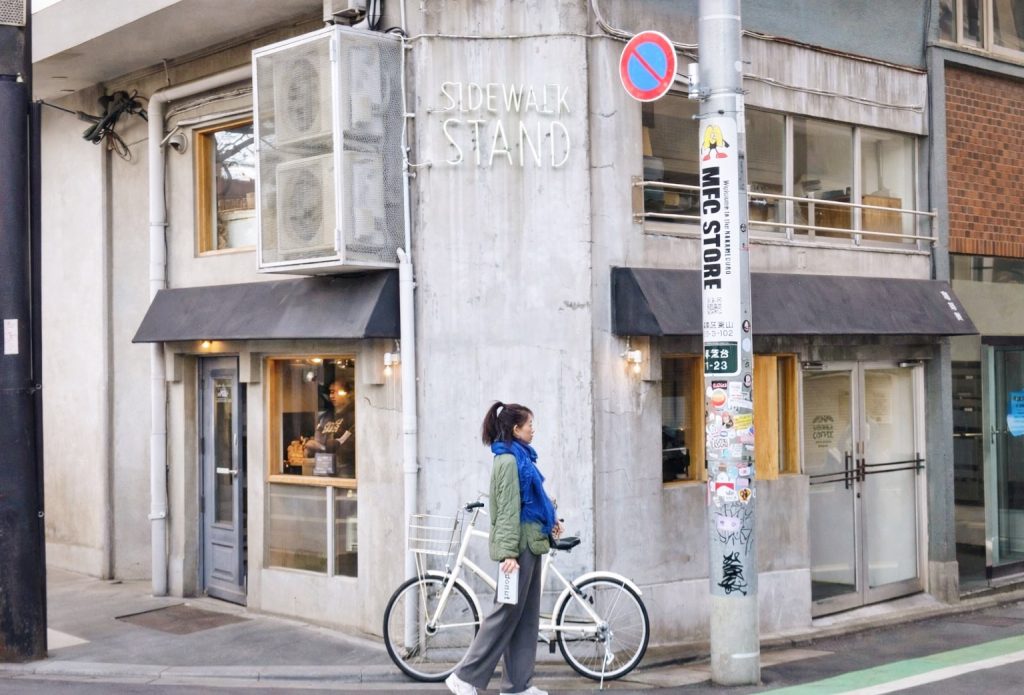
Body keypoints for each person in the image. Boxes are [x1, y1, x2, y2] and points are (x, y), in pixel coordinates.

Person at [445, 402, 562, 695]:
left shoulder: (521, 458)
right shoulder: (509, 461)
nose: (533, 429)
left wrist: (551, 520)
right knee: (506, 612)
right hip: (519, 548)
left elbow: (532, 502)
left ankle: (517, 686)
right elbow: (507, 510)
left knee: (525, 617)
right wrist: (509, 553)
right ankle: (464, 676)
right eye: (529, 424)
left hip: (531, 543)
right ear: (515, 429)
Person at [304, 379, 355, 477]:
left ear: (348, 394)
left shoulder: (353, 416)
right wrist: (311, 449)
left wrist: (323, 448)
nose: (332, 396)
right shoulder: (325, 417)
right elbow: (317, 438)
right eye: (330, 392)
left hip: (345, 468)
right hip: (323, 466)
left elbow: (351, 444)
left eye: (336, 392)